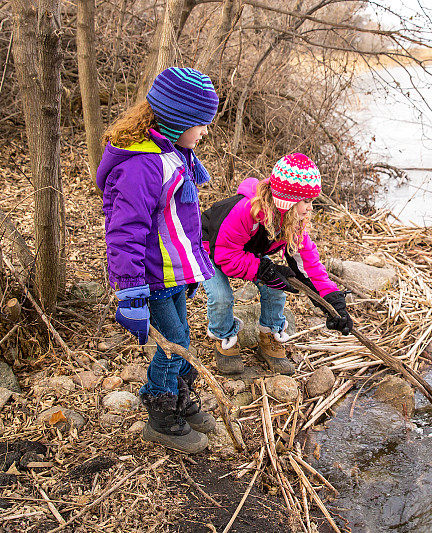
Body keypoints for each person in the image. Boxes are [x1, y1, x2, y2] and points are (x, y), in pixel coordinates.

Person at [96, 67, 219, 454]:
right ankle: (160, 411)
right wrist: (130, 292)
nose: (202, 133)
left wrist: (193, 266)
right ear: (178, 119)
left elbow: (181, 219)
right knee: (173, 342)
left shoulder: (174, 152)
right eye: (199, 124)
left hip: (174, 272)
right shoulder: (143, 165)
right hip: (151, 275)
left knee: (181, 337)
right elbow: (124, 229)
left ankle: (179, 395)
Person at [200, 153, 353, 376]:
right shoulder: (245, 211)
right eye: (307, 202)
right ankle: (223, 336)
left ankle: (269, 335)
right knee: (221, 297)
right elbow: (225, 256)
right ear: (288, 200)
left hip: (244, 252)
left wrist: (331, 302)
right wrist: (263, 269)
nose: (311, 208)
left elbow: (309, 266)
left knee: (276, 287)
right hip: (210, 250)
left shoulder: (293, 221)